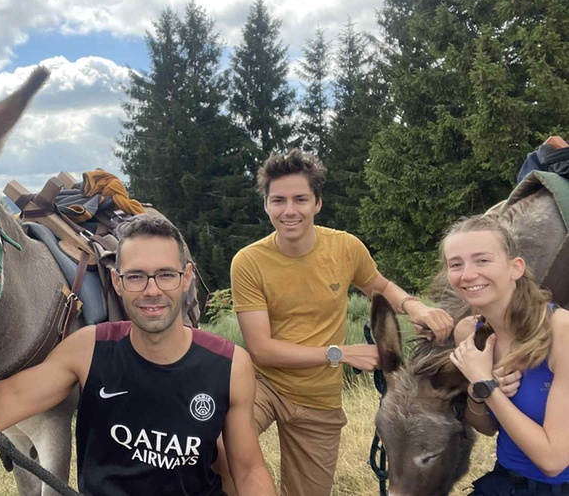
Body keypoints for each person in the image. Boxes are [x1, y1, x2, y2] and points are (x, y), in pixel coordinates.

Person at [0, 214, 277, 495]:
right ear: (117, 283)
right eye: (136, 276)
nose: (152, 290)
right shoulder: (89, 348)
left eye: (165, 274)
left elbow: (248, 470)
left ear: (186, 278)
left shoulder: (229, 364)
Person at [220, 148, 454, 496]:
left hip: (318, 398)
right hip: (262, 386)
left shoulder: (345, 248)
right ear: (266, 205)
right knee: (218, 446)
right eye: (278, 200)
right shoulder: (249, 262)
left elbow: (379, 286)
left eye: (300, 199)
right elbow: (262, 349)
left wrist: (413, 306)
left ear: (317, 202)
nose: (289, 210)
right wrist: (340, 353)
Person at [447, 215, 569, 494]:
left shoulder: (562, 331)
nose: (467, 274)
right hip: (505, 481)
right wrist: (477, 393)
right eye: (456, 264)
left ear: (515, 268)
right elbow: (487, 427)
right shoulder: (468, 333)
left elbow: (553, 461)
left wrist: (486, 385)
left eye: (482, 260)